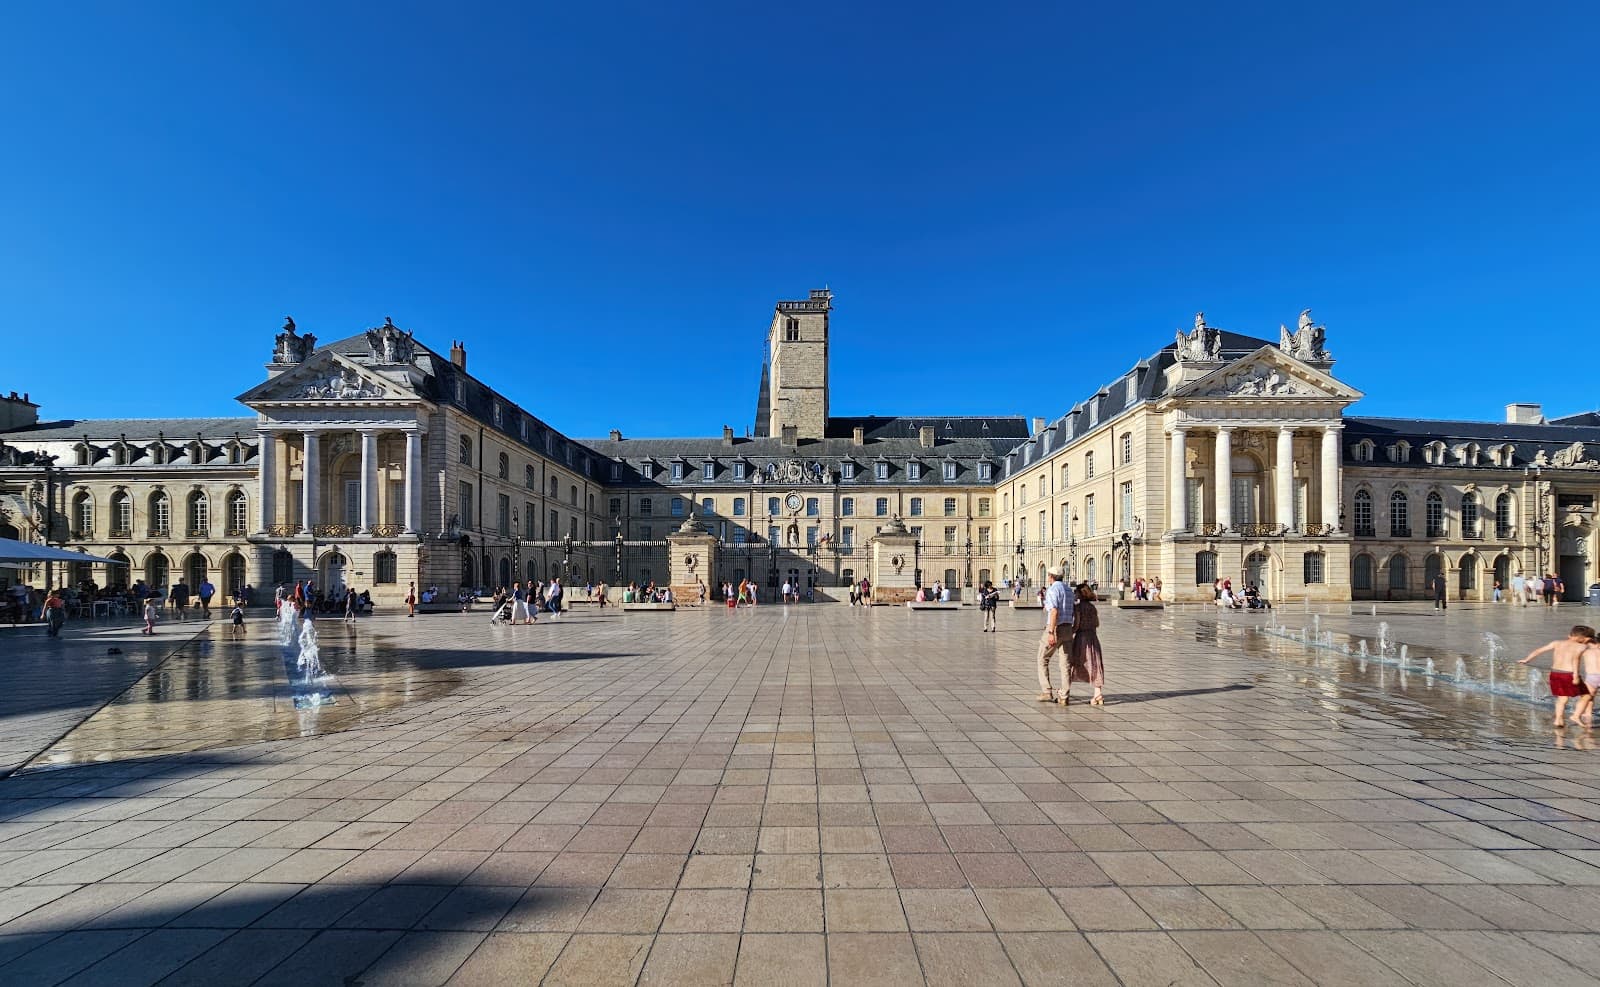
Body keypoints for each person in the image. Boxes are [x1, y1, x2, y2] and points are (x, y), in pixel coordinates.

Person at [1519, 626, 1595, 728]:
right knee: (1586, 696)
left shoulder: (1557, 643)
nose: (1587, 641)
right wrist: (1576, 676)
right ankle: (1576, 716)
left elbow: (1539, 650)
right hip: (1569, 674)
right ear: (1581, 638)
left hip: (1555, 673)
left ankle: (1558, 720)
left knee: (1562, 698)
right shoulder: (1580, 647)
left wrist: (1526, 660)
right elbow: (1575, 660)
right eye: (1587, 639)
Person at [1035, 566, 1074, 703]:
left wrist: (1051, 632)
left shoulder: (1053, 590)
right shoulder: (1069, 590)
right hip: (1068, 628)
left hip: (1055, 628)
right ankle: (1064, 694)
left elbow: (1054, 612)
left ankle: (1046, 691)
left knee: (1042, 658)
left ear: (1051, 577)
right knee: (1066, 663)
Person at [1065, 582, 1105, 706]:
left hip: (1082, 638)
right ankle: (1098, 694)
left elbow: (1076, 626)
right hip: (1093, 638)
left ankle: (1065, 691)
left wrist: (1068, 633)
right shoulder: (1092, 608)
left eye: (1076, 592)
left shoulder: (1078, 608)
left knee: (1074, 664)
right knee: (1095, 664)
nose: (1074, 594)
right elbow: (1097, 623)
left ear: (1081, 594)